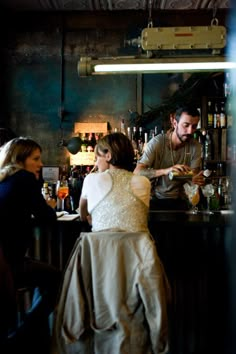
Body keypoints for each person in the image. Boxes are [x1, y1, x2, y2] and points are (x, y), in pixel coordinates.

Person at [52, 132, 170, 354]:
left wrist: (91, 216)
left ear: (108, 155)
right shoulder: (143, 182)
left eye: (98, 156)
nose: (96, 162)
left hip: (99, 264)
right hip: (138, 262)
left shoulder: (92, 179)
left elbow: (82, 212)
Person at [0, 137, 61, 342]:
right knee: (54, 278)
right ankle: (23, 334)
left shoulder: (5, 179)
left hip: (5, 261)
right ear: (21, 160)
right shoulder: (24, 179)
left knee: (44, 277)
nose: (41, 164)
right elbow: (47, 218)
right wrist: (50, 206)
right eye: (36, 159)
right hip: (8, 264)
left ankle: (30, 334)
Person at [133, 104, 205, 210]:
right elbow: (137, 173)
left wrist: (195, 179)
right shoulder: (157, 143)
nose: (190, 131)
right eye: (186, 125)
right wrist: (166, 171)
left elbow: (193, 177)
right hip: (155, 201)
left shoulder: (195, 146)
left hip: (181, 202)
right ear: (175, 123)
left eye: (194, 126)